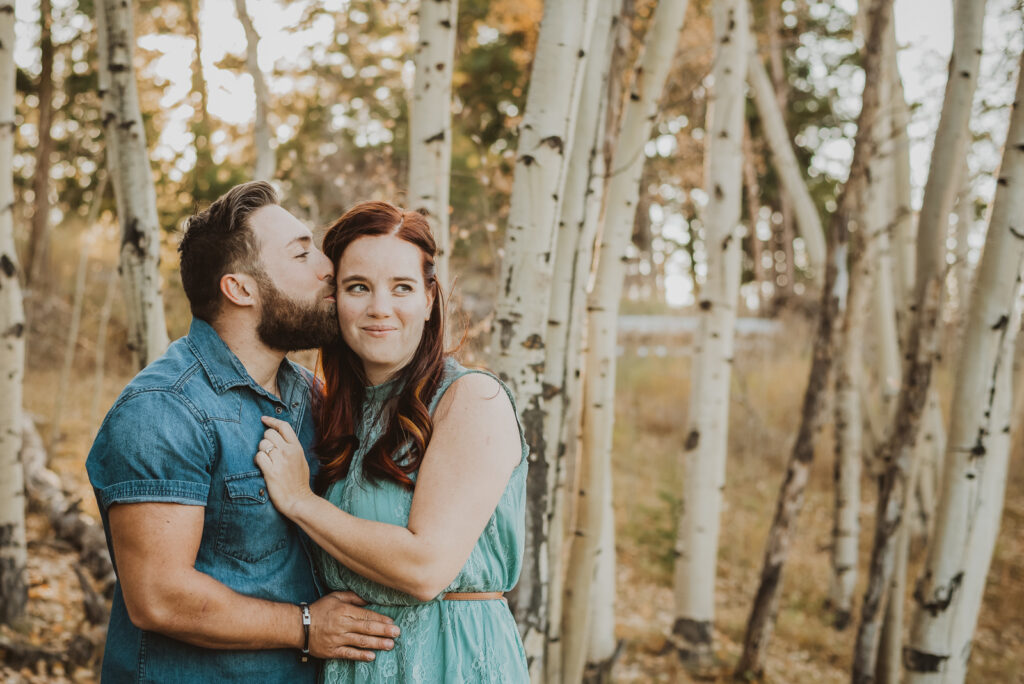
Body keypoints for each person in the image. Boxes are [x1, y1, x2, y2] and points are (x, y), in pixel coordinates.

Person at [86, 182, 401, 682]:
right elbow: (159, 598)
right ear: (240, 289)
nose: (328, 268)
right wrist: (305, 626)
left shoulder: (309, 396)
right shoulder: (164, 410)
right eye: (302, 254)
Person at [253, 200, 530, 682]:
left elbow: (426, 568)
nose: (379, 308)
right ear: (334, 299)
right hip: (354, 666)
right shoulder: (336, 411)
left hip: (452, 661)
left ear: (428, 299)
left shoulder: (471, 400)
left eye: (401, 287)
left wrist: (300, 501)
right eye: (358, 287)